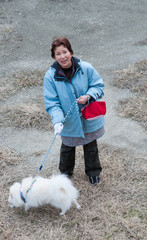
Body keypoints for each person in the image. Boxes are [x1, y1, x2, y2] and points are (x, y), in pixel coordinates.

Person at [43, 37, 105, 185]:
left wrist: (89, 96)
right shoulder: (50, 77)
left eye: (65, 52)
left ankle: (93, 173)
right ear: (54, 57)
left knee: (90, 145)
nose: (62, 56)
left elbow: (98, 86)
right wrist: (57, 121)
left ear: (71, 52)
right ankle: (64, 174)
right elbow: (52, 103)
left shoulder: (86, 68)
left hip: (88, 116)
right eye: (58, 54)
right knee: (67, 148)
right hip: (68, 120)